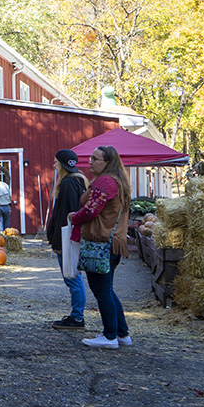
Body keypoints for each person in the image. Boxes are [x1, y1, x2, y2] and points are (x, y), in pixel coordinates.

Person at [69, 146, 132, 349]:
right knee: (107, 290)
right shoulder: (119, 181)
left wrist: (73, 217)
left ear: (107, 162)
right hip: (113, 242)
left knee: (102, 291)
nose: (90, 162)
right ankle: (122, 334)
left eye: (95, 159)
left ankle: (109, 336)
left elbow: (91, 210)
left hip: (101, 242)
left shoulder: (106, 181)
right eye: (90, 158)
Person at [46, 149, 88, 330]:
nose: (54, 165)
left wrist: (58, 242)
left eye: (56, 162)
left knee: (72, 277)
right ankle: (76, 315)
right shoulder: (77, 181)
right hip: (70, 235)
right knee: (73, 276)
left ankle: (77, 317)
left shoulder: (69, 183)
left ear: (62, 165)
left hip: (67, 236)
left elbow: (66, 214)